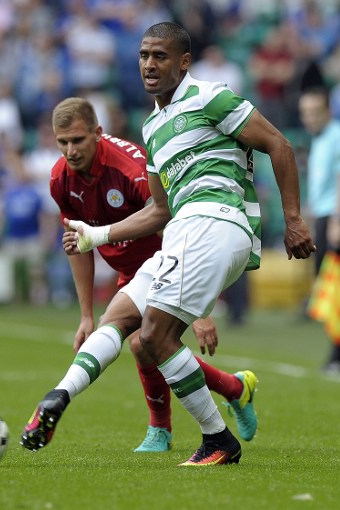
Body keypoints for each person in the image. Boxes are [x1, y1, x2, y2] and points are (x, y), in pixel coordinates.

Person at [57, 22, 314, 466]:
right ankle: (231, 397)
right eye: (144, 55)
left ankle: (218, 441)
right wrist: (96, 236)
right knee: (136, 333)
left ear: (184, 62)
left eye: (160, 56)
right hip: (183, 231)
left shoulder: (210, 97)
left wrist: (293, 219)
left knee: (154, 335)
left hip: (217, 220)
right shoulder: (152, 126)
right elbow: (159, 210)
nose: (149, 64)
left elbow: (279, 144)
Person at [20, 97, 260, 454]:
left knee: (143, 343)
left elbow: (168, 219)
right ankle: (234, 389)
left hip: (170, 257)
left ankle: (166, 428)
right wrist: (85, 315)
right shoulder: (60, 179)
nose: (70, 151)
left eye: (78, 140)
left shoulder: (131, 167)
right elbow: (78, 244)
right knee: (128, 335)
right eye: (62, 142)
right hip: (131, 270)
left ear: (98, 133)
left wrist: (198, 307)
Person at [298, 87, 340, 373]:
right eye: (305, 113)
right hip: (325, 216)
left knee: (336, 286)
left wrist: (337, 219)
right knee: (329, 284)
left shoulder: (339, 135)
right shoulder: (320, 138)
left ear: (328, 111)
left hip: (338, 217)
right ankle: (338, 351)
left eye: (315, 112)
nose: (309, 118)